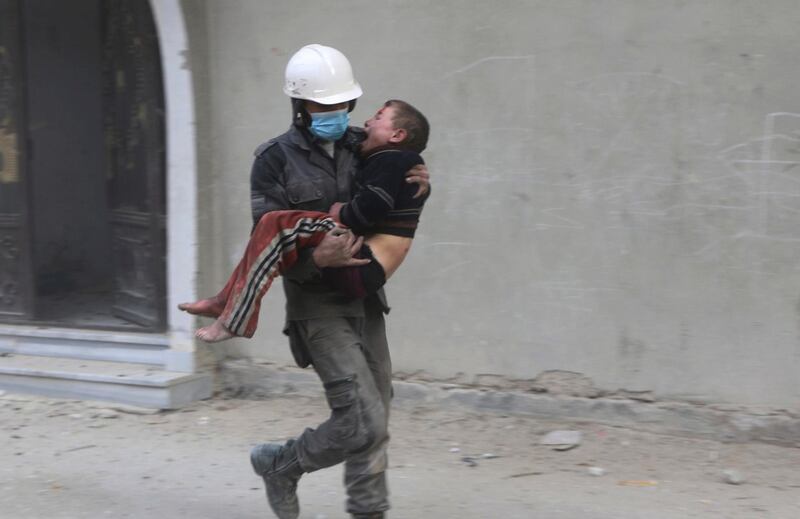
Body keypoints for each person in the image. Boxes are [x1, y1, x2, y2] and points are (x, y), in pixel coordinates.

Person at [209, 44, 425, 519]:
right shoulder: (273, 160)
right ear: (299, 106)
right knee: (362, 416)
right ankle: (281, 464)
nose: (336, 114)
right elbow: (265, 239)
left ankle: (369, 511)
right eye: (323, 106)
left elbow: (395, 177)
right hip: (316, 305)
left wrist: (415, 175)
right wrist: (316, 260)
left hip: (366, 298)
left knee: (378, 414)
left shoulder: (361, 146)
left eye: (342, 105)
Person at [180, 99, 429, 345]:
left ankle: (233, 313)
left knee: (274, 224)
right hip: (339, 279)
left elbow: (375, 204)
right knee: (270, 228)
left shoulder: (383, 154)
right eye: (323, 104)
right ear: (301, 106)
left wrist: (342, 213)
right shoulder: (277, 157)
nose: (366, 121)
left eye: (377, 117)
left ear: (397, 134)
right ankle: (229, 305)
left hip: (360, 265)